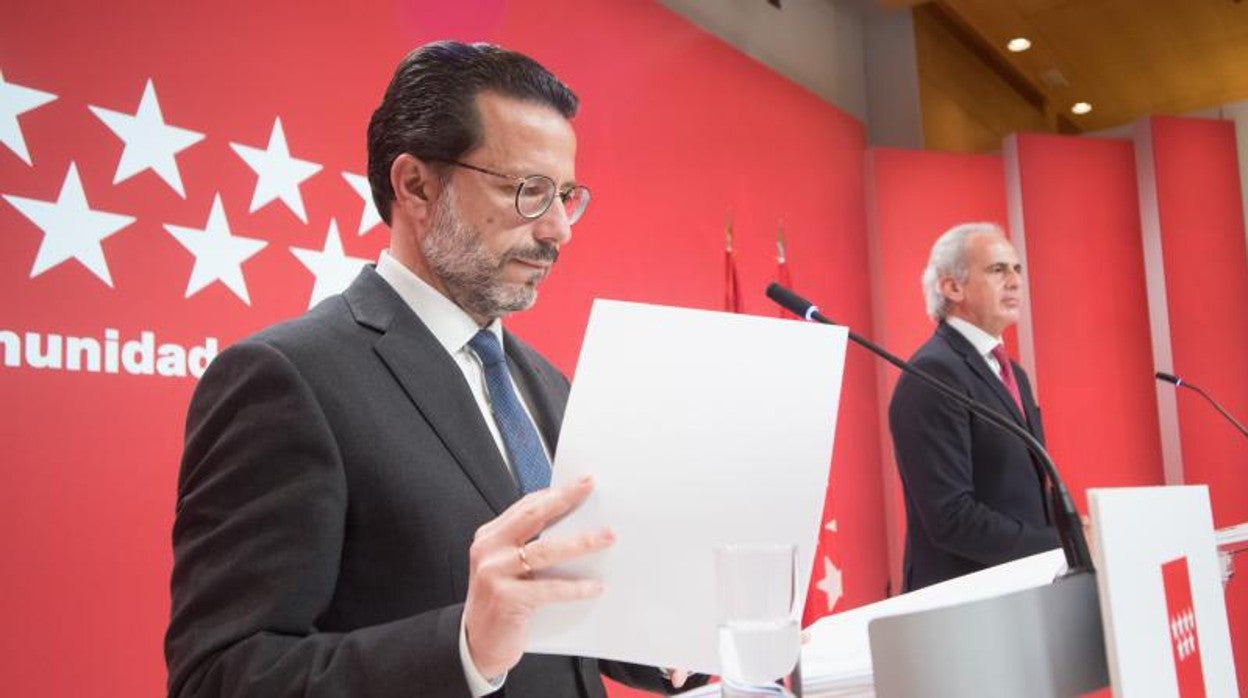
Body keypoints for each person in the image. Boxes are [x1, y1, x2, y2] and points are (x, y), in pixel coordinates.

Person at [166, 41, 695, 697]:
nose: (559, 229)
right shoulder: (285, 380)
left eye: (566, 195)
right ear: (415, 184)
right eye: (528, 191)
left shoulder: (548, 385)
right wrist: (463, 648)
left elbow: (559, 625)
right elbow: (219, 678)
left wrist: (674, 637)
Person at [888, 222, 1060, 592]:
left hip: (1025, 591)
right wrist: (1057, 545)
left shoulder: (1013, 373)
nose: (1014, 280)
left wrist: (1074, 531)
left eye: (1016, 269)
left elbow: (1018, 488)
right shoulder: (933, 373)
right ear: (952, 287)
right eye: (997, 269)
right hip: (965, 603)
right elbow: (951, 517)